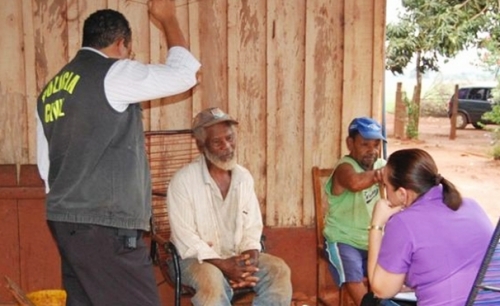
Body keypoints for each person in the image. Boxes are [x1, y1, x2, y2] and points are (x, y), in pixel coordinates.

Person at [35, 1, 201, 305]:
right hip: (106, 227)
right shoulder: (113, 73)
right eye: (129, 50)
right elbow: (185, 74)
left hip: (66, 222)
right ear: (120, 44)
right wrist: (168, 18)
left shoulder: (51, 90)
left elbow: (47, 171)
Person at [167, 107, 293, 306]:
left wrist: (250, 257)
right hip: (194, 260)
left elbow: (252, 226)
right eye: (217, 142)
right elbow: (186, 239)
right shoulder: (183, 181)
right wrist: (224, 265)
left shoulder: (243, 177)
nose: (227, 146)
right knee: (213, 285)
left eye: (230, 138)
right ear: (201, 146)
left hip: (235, 257)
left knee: (278, 270)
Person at [367, 148, 494, 306]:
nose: (384, 192)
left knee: (371, 302)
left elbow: (381, 290)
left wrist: (376, 225)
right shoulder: (472, 206)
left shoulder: (403, 223)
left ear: (401, 193)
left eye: (385, 186)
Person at [323, 116, 386, 305]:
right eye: (365, 144)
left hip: (373, 239)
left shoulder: (382, 165)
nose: (372, 151)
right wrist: (381, 175)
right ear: (350, 143)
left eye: (376, 145)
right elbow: (355, 182)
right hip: (343, 239)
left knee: (399, 267)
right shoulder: (344, 167)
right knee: (352, 274)